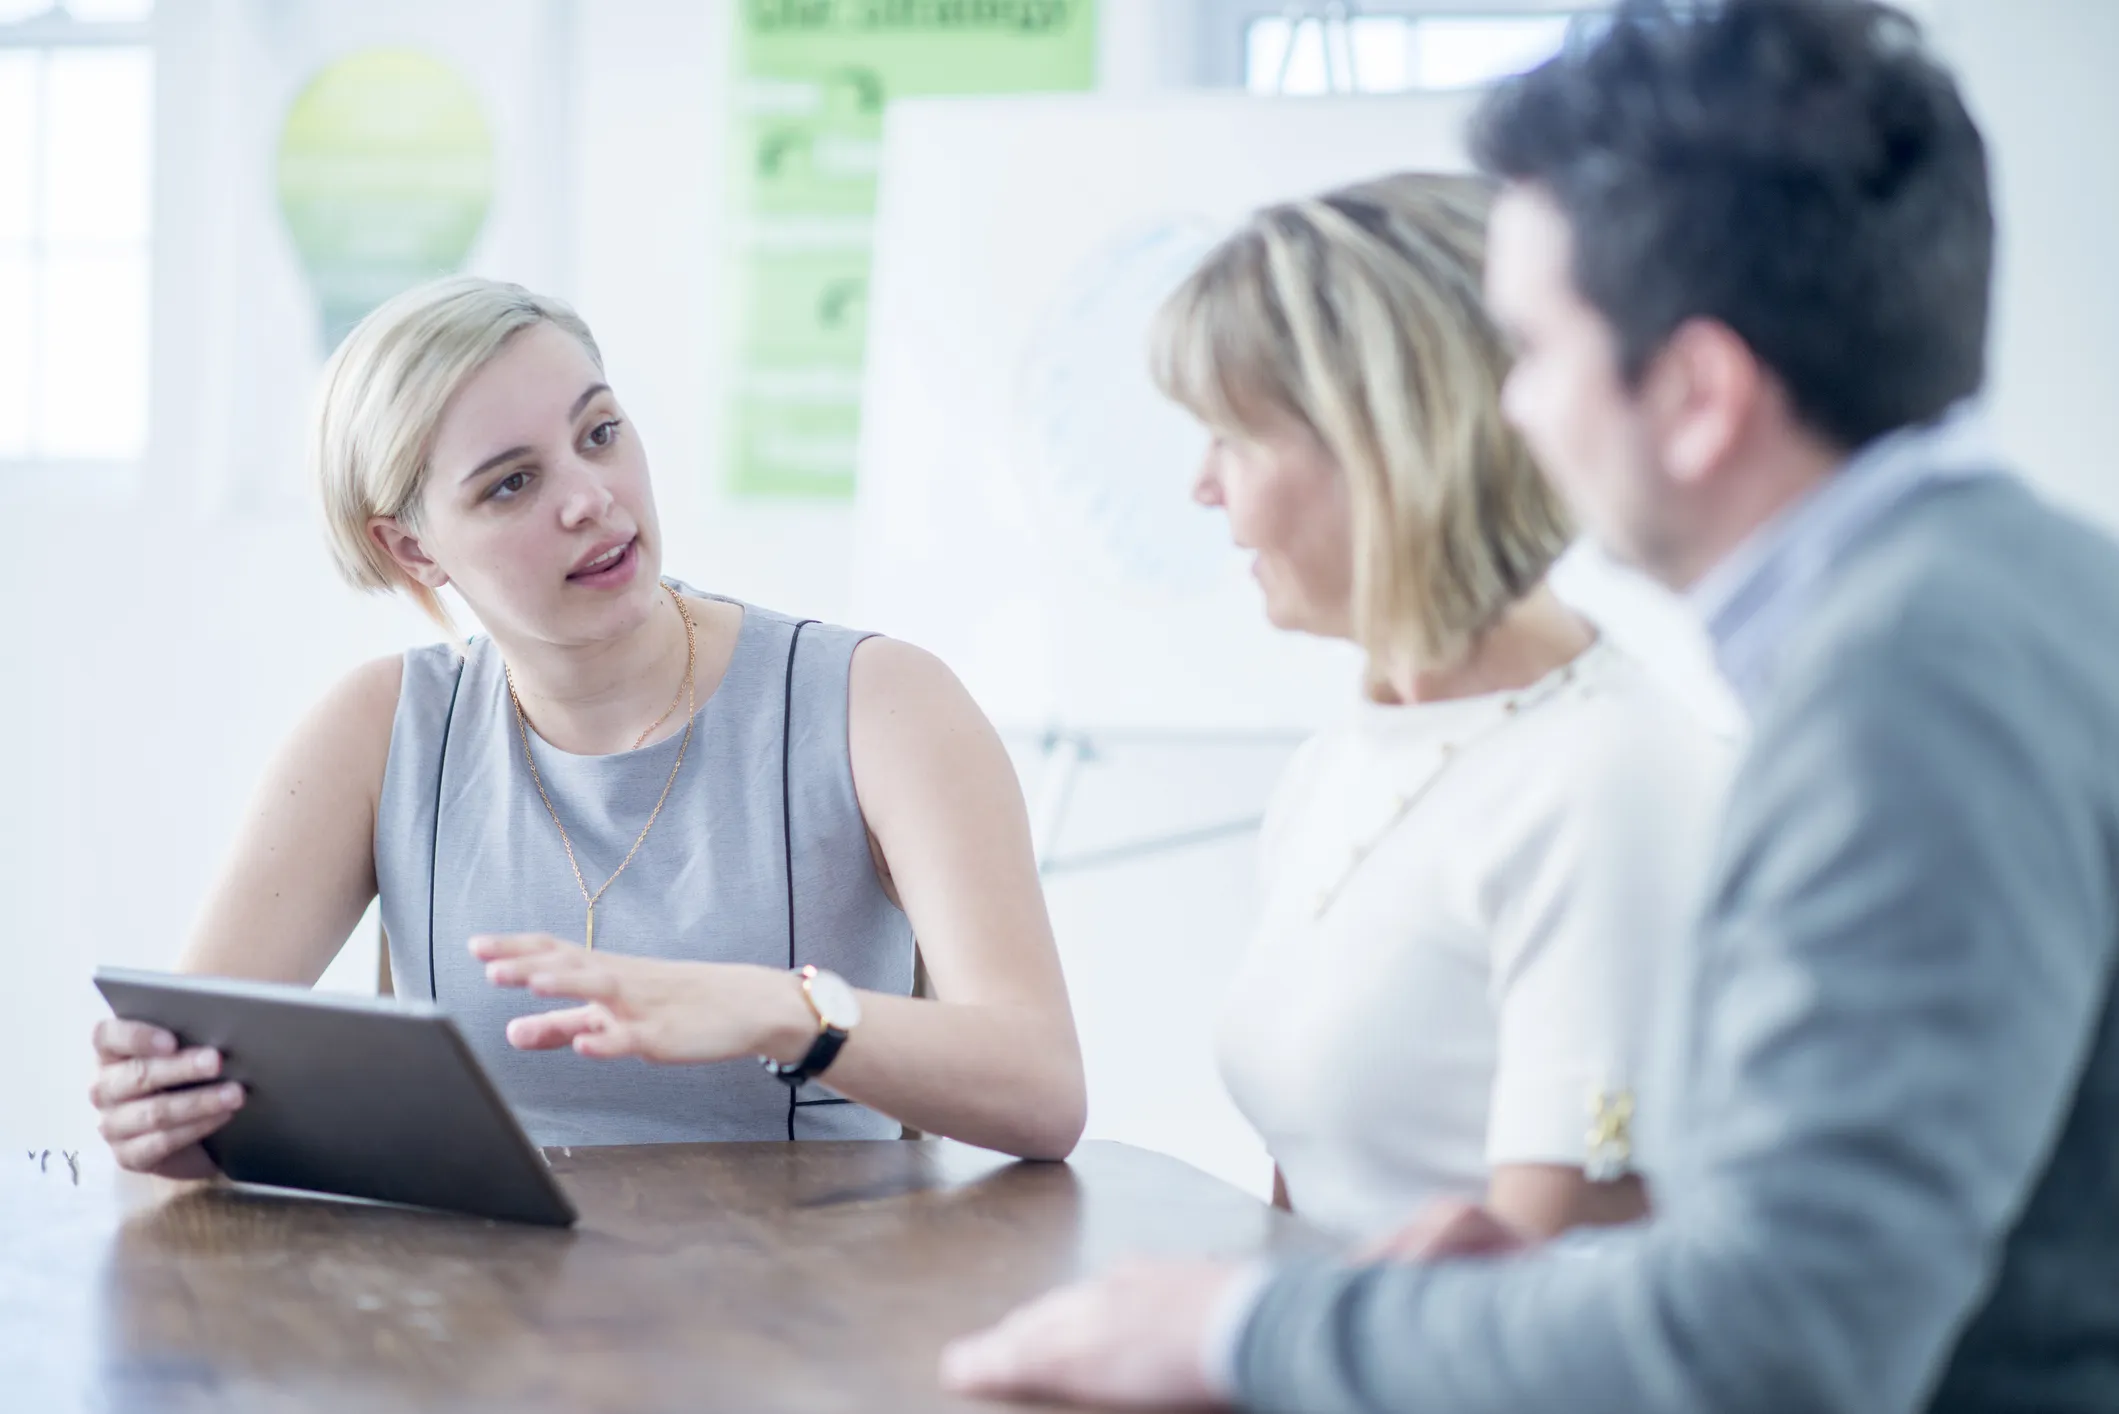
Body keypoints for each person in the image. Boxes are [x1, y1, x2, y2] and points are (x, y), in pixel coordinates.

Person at [939, 1, 2119, 1410]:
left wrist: (1235, 1334)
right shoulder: (2001, 590)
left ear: (1694, 395)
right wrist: (1534, 1286)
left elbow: (1780, 1340)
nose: (1503, 418)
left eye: (1533, 352)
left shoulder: (1909, 688)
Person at [89, 277, 1086, 1171]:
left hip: (801, 1337)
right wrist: (172, 1128)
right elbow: (193, 1079)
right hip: (486, 1340)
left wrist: (778, 1010)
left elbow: (1042, 1091)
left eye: (599, 432)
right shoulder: (378, 728)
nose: (590, 497)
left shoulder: (882, 702)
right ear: (412, 548)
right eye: (511, 483)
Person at [1153, 172, 1729, 1245]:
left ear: (1387, 445)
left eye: (1234, 435)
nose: (1201, 485)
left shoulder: (1612, 779)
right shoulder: (1344, 756)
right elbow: (1309, 1186)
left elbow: (1556, 1276)